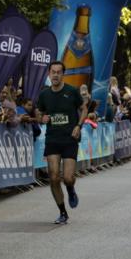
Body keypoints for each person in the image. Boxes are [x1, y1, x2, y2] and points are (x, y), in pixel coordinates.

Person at [37, 62, 87, 225]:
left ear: (63, 74)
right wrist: (41, 118)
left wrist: (79, 126)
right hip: (52, 138)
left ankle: (71, 190)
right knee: (53, 177)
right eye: (53, 72)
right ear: (49, 74)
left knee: (67, 177)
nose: (56, 75)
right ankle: (62, 212)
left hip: (69, 139)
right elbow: (39, 112)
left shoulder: (72, 91)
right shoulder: (44, 94)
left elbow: (84, 109)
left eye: (59, 72)